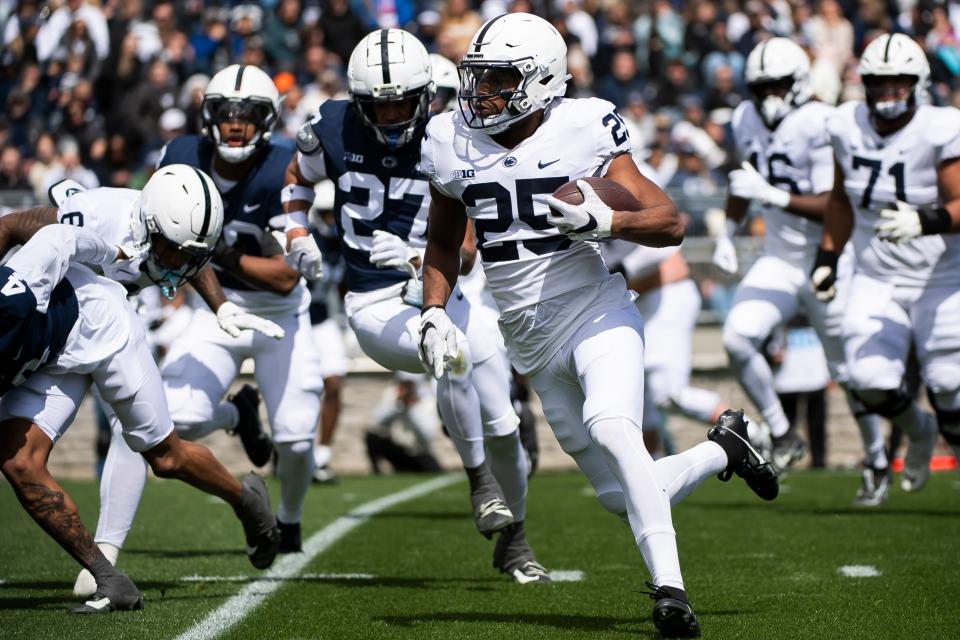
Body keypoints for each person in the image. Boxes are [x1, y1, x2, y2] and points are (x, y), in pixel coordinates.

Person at [419, 13, 778, 637]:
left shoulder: (582, 126)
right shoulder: (450, 139)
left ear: (541, 81)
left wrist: (609, 225)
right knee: (624, 496)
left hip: (595, 309)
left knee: (612, 426)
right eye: (478, 80)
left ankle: (672, 594)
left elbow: (668, 221)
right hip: (527, 337)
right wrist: (431, 312)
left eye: (499, 81)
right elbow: (444, 243)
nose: (482, 96)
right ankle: (724, 445)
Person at [283, 29, 548, 584]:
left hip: (443, 286)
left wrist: (411, 257)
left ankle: (516, 538)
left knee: (504, 423)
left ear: (426, 93)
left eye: (401, 100)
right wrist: (296, 235)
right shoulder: (330, 125)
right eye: (377, 103)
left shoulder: (454, 137)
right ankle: (479, 484)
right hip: (373, 302)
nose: (389, 113)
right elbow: (296, 180)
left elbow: (468, 256)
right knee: (447, 349)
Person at [0, 165, 286, 596]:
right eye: (172, 253)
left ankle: (245, 498)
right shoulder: (95, 214)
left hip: (109, 332)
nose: (179, 266)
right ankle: (106, 572)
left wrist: (222, 306)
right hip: (55, 336)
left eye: (187, 256)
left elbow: (193, 256)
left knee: (165, 457)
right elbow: (17, 227)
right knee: (19, 459)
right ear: (148, 225)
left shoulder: (175, 241)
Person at [712, 38, 887, 504]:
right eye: (761, 86)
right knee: (737, 336)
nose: (768, 95)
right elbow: (742, 179)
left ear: (799, 84)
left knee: (848, 372)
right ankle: (784, 433)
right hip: (779, 259)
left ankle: (876, 459)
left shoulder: (822, 121)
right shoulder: (745, 118)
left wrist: (773, 197)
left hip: (828, 259)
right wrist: (729, 231)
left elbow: (837, 204)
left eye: (778, 85)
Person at [812, 33, 960, 494]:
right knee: (867, 378)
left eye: (899, 82)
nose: (888, 92)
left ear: (917, 84)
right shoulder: (845, 123)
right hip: (876, 274)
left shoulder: (941, 127)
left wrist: (926, 219)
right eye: (879, 83)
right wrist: (828, 257)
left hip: (940, 276)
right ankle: (919, 431)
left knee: (950, 381)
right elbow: (840, 199)